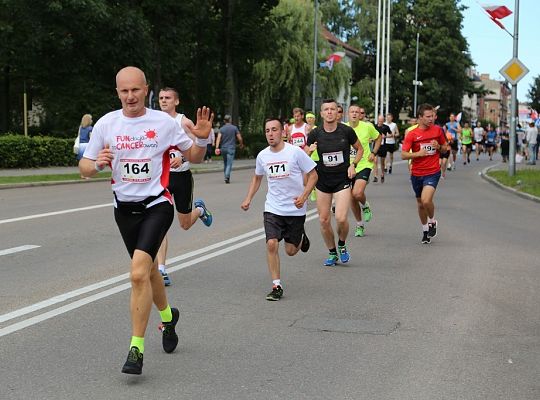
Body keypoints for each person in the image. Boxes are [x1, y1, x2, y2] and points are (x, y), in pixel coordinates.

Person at [79, 66, 213, 375]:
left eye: (135, 90)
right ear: (117, 93)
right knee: (150, 270)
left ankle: (136, 348)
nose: (130, 96)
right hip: (123, 210)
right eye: (124, 91)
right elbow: (83, 166)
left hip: (157, 205)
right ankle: (168, 318)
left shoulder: (163, 122)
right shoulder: (106, 124)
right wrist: (96, 164)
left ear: (146, 90)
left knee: (138, 273)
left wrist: (203, 140)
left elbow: (192, 156)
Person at [241, 118, 317, 300]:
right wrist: (248, 198)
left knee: (290, 251)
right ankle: (276, 286)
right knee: (271, 243)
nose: (270, 134)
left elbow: (313, 175)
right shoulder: (263, 156)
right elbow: (257, 178)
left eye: (274, 130)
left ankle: (300, 238)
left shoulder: (295, 153)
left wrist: (304, 196)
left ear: (283, 132)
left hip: (295, 209)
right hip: (273, 208)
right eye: (267, 131)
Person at [155, 87, 214, 286]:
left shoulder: (184, 121)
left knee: (185, 224)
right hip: (161, 179)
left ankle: (200, 209)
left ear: (176, 101)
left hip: (182, 178)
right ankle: (161, 270)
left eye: (168, 98)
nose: (164, 101)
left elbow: (199, 142)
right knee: (160, 224)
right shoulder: (154, 120)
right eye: (161, 98)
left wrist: (182, 155)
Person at [306, 99, 363, 266]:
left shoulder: (346, 131)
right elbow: (304, 155)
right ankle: (332, 252)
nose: (330, 112)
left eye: (333, 109)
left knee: (341, 218)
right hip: (323, 180)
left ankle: (342, 244)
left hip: (342, 180)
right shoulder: (315, 133)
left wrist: (353, 165)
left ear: (338, 113)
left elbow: (360, 149)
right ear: (321, 113)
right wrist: (308, 152)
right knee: (324, 220)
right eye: (326, 109)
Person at [401, 103, 447, 244]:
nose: (431, 119)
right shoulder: (412, 134)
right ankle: (425, 230)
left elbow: (445, 149)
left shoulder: (438, 130)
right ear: (420, 118)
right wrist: (418, 154)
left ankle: (432, 221)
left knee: (426, 200)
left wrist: (438, 147)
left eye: (432, 116)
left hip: (433, 171)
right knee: (421, 204)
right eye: (428, 117)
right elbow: (403, 155)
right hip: (416, 173)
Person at [345, 105, 382, 237]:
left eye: (357, 112)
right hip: (347, 167)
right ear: (347, 114)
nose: (355, 114)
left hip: (364, 164)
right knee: (351, 198)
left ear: (360, 114)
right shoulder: (343, 128)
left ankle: (365, 205)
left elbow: (379, 137)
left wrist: (374, 152)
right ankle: (359, 225)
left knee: (357, 193)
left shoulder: (367, 126)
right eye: (352, 112)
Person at [215, 115, 244, 183]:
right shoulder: (234, 128)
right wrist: (241, 144)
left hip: (223, 148)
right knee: (229, 163)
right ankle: (227, 176)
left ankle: (226, 176)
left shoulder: (222, 129)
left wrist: (217, 147)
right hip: (231, 148)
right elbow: (239, 137)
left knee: (225, 163)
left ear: (224, 121)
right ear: (230, 120)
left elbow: (218, 138)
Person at [373, 114, 391, 183]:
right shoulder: (374, 126)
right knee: (375, 161)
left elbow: (391, 134)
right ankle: (375, 176)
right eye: (379, 121)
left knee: (382, 162)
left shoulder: (386, 127)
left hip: (383, 146)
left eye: (382, 121)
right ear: (377, 120)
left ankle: (382, 174)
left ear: (383, 121)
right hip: (376, 146)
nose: (380, 122)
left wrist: (385, 136)